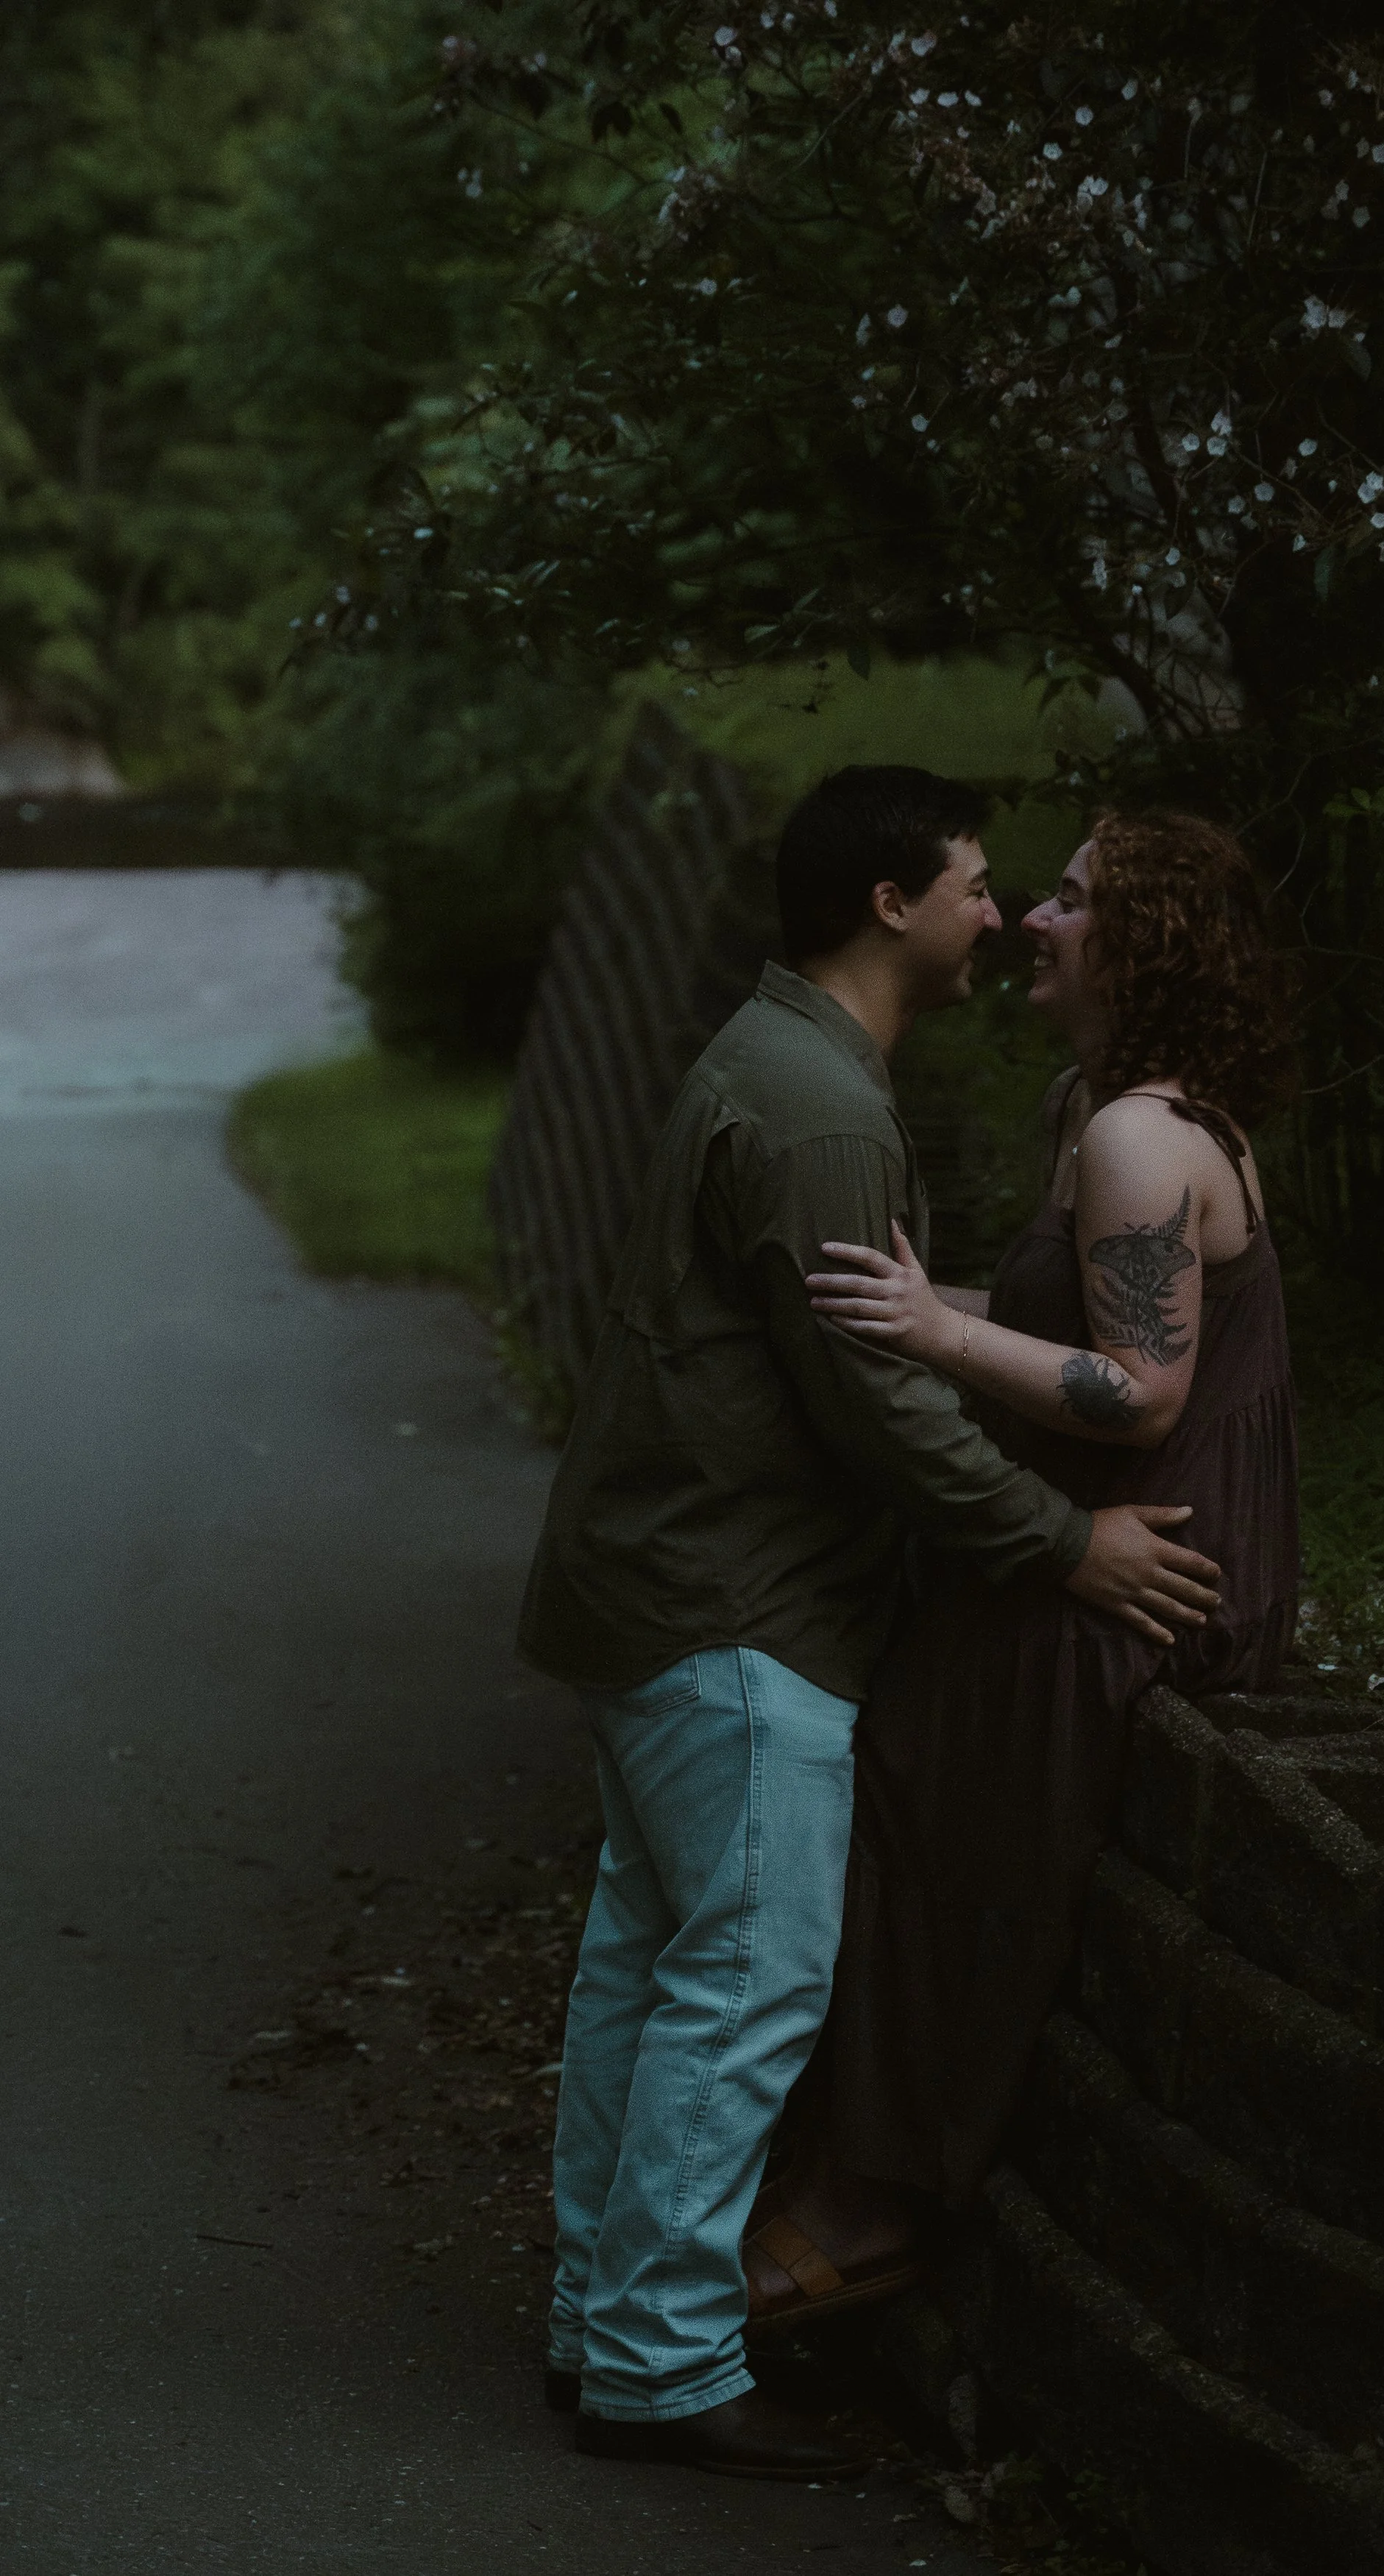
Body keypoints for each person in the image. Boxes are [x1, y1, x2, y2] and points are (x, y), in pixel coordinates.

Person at [516, 768, 1223, 2478]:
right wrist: (1064, 1545)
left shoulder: (779, 1062)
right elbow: (876, 1407)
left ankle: (601, 2322)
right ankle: (665, 2370)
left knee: (644, 1969)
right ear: (892, 903)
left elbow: (876, 1355)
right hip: (731, 1612)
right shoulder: (819, 1106)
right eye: (977, 885)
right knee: (747, 1982)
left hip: (653, 1588)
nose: (999, 915)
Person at [746, 807, 1299, 2318]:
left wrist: (931, 1330)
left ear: (1144, 945)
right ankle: (851, 2162)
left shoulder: (1139, 1137)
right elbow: (1081, 1329)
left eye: (1066, 901)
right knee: (900, 1733)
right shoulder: (1094, 1103)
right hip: (1114, 1531)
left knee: (943, 1783)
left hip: (1160, 1561)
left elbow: (1142, 1390)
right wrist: (952, 1298)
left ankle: (888, 2192)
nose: (1026, 923)